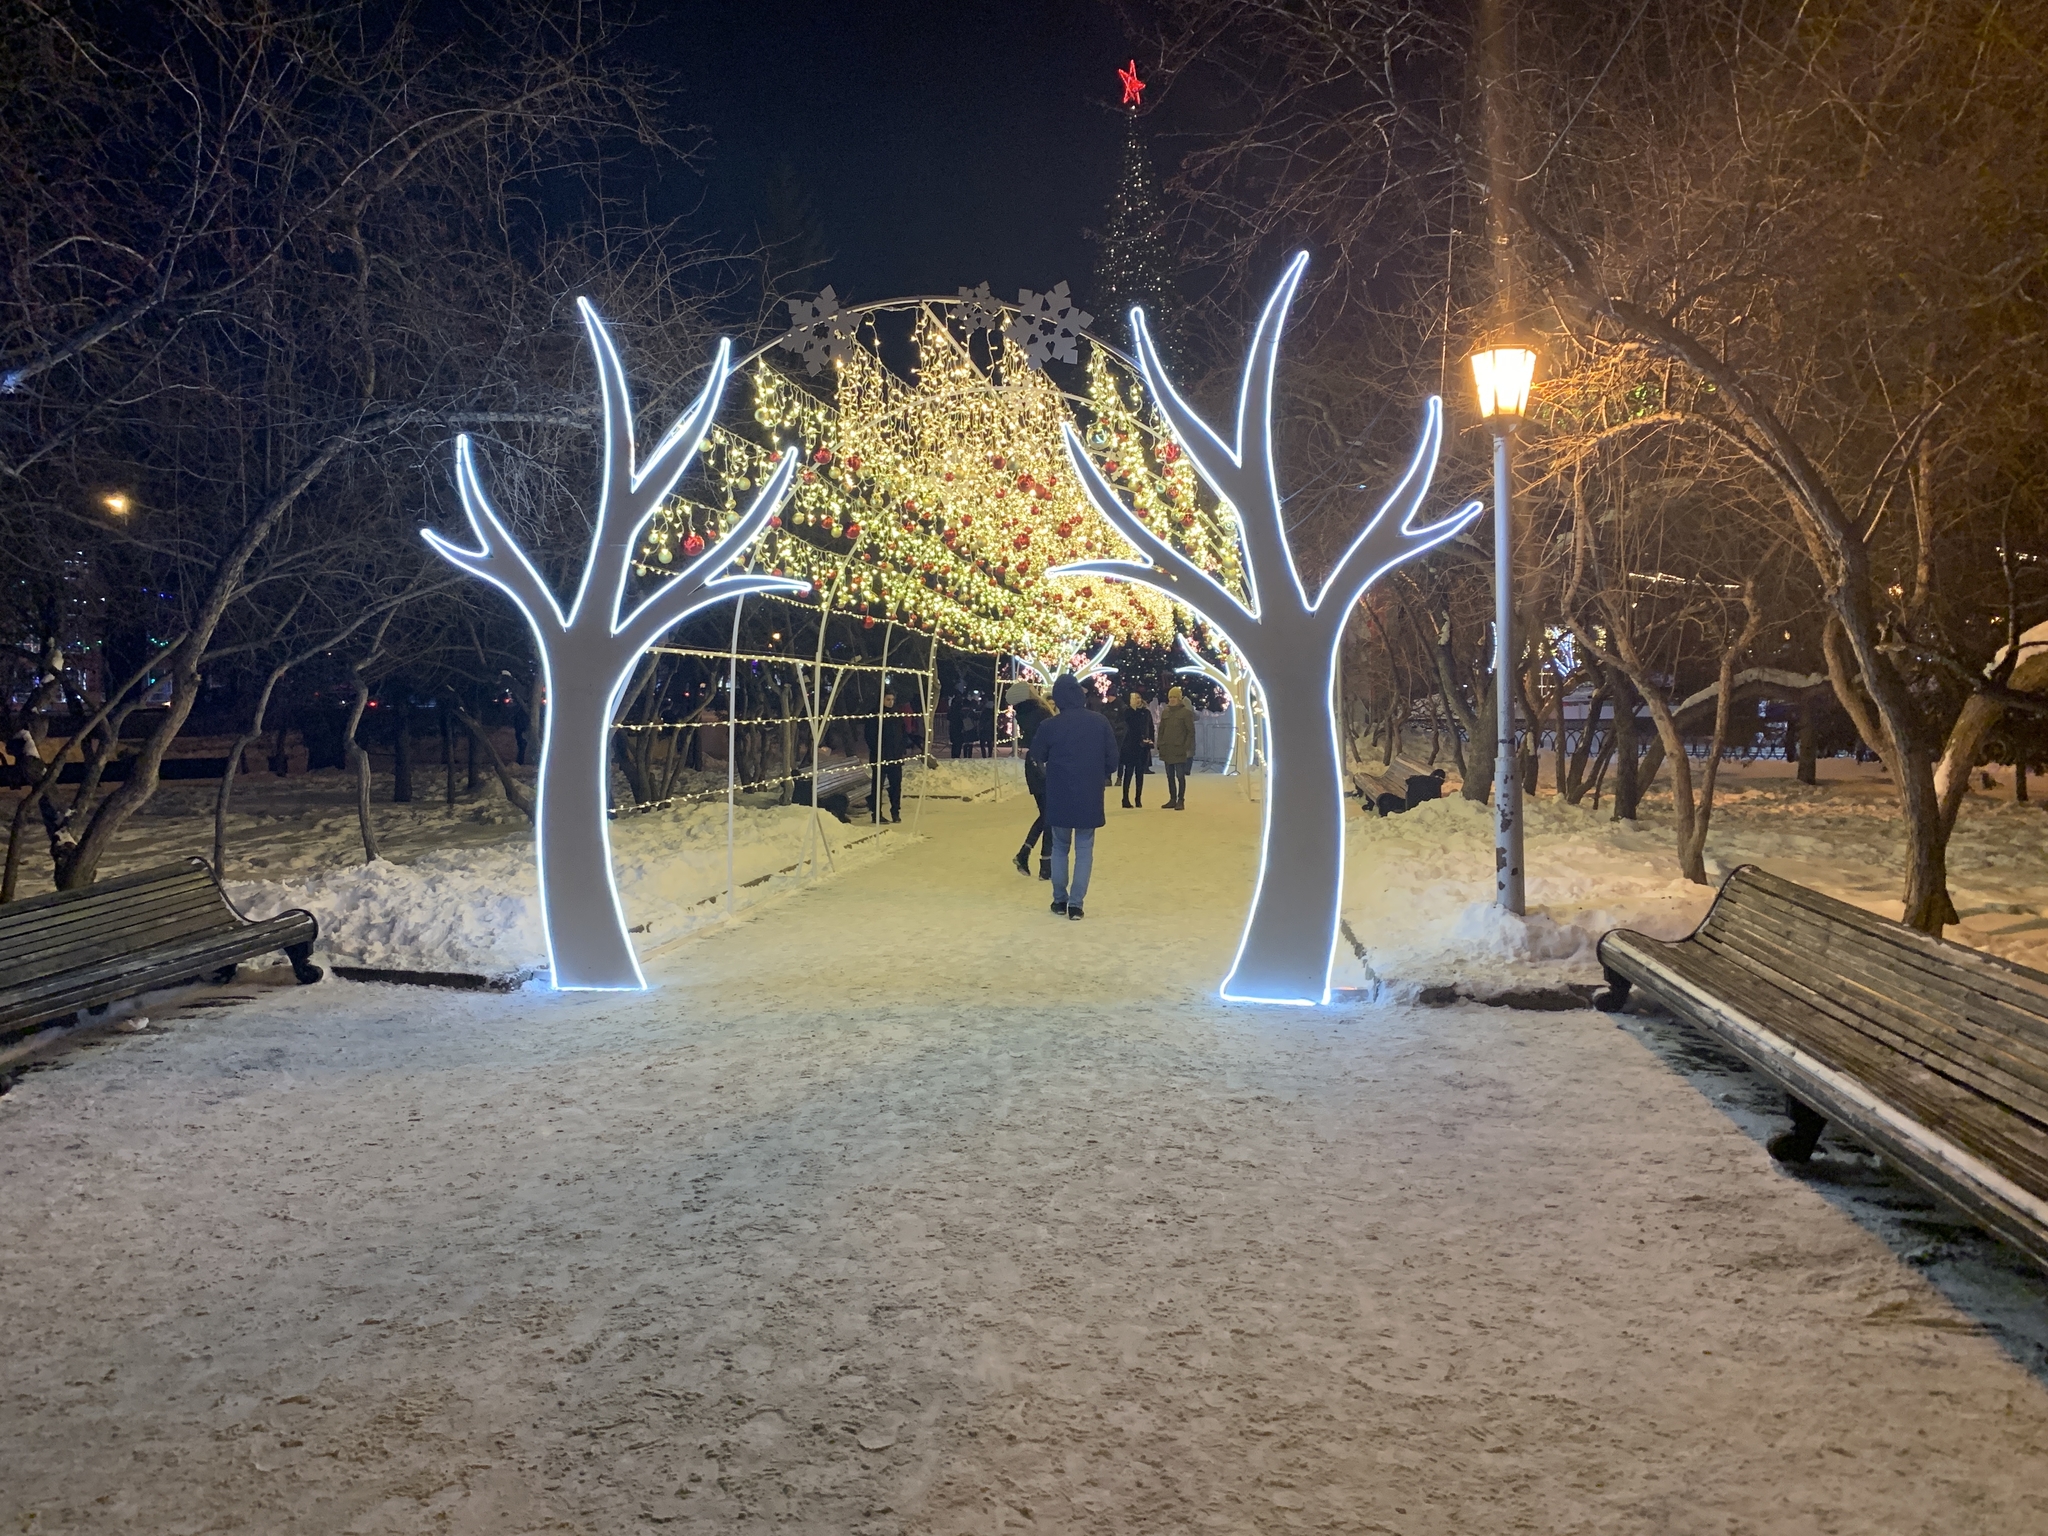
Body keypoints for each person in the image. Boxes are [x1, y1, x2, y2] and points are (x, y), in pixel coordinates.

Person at [1029, 672, 1119, 920]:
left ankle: (1059, 899)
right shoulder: (1099, 722)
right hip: (1089, 794)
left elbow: (1036, 754)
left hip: (1059, 793)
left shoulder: (1049, 726)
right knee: (1084, 849)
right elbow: (1112, 759)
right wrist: (1098, 773)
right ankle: (1076, 904)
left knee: (1059, 847)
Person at [1007, 680, 1054, 878]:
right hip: (1045, 765)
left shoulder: (1024, 713)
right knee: (1051, 815)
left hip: (1033, 766)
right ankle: (1045, 864)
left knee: (1046, 814)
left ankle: (1025, 853)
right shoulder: (1040, 713)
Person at [862, 690, 917, 823]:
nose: (890, 702)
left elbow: (903, 734)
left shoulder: (896, 715)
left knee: (895, 786)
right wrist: (878, 750)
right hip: (880, 757)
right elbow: (869, 736)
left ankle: (895, 811)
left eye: (892, 699)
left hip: (895, 757)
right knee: (877, 786)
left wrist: (901, 748)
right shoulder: (874, 715)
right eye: (888, 699)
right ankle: (876, 814)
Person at [1156, 685, 1196, 810]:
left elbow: (1190, 732)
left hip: (1179, 749)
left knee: (1180, 776)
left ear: (1179, 698)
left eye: (1174, 697)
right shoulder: (1166, 712)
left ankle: (1181, 800)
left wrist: (1186, 746)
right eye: (1170, 697)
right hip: (1167, 748)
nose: (1172, 699)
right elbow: (1161, 729)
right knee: (1169, 776)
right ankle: (1172, 799)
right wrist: (1160, 743)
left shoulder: (1186, 713)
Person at [1118, 690, 1154, 808]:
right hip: (1130, 746)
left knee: (1140, 773)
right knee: (1128, 773)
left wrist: (1150, 741)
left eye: (1138, 697)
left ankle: (1138, 798)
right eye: (1133, 698)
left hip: (1143, 747)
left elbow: (1150, 728)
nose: (1136, 700)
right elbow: (1128, 727)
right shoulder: (1127, 712)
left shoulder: (1146, 713)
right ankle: (1125, 799)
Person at [947, 691, 969, 758]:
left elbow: (948, 717)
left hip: (953, 726)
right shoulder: (959, 708)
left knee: (955, 743)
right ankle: (956, 755)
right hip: (958, 726)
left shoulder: (952, 709)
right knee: (958, 742)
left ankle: (954, 755)